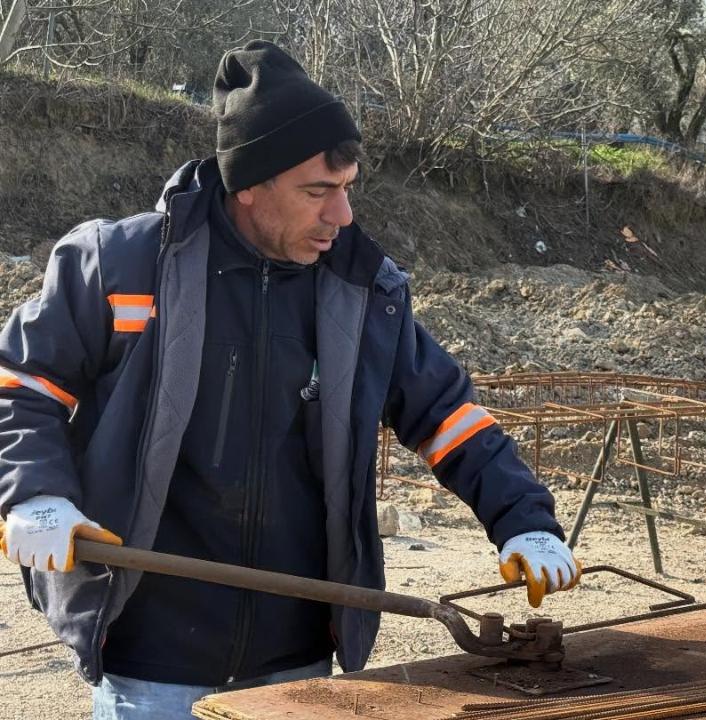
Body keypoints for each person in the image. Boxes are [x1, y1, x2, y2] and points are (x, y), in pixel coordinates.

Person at [0, 40, 580, 718]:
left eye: (347, 188)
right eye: (317, 192)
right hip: (151, 661)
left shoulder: (361, 291)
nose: (342, 215)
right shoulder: (120, 266)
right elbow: (22, 386)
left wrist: (524, 521)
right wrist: (36, 495)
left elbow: (448, 417)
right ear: (247, 185)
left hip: (298, 662)